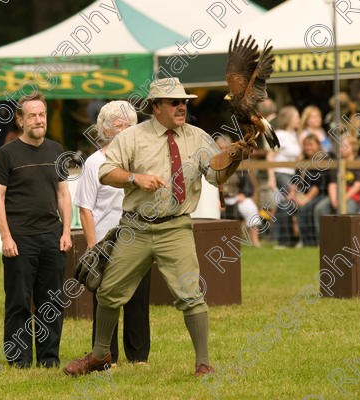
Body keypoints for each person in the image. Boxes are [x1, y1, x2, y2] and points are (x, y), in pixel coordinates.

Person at [63, 78, 253, 378]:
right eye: (174, 102)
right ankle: (100, 356)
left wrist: (235, 156)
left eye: (185, 102)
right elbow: (105, 172)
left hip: (176, 227)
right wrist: (134, 179)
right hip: (135, 228)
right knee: (109, 291)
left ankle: (202, 363)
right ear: (155, 107)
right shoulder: (132, 137)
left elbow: (216, 177)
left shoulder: (198, 137)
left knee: (191, 294)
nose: (182, 106)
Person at [0, 92, 72, 369]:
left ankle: (49, 359)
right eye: (33, 115)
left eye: (42, 115)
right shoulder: (7, 153)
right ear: (20, 120)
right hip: (20, 240)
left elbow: (63, 194)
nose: (38, 120)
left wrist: (66, 232)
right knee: (19, 303)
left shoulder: (56, 150)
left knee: (52, 303)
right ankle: (19, 360)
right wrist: (6, 237)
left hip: (52, 237)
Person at [74, 101, 151, 366]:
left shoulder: (141, 161)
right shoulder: (95, 163)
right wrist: (93, 247)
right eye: (119, 125)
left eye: (129, 124)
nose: (125, 129)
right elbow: (85, 209)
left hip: (139, 239)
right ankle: (108, 357)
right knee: (105, 301)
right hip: (107, 245)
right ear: (105, 128)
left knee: (138, 301)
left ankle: (139, 357)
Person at [314, 135, 360, 235]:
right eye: (340, 146)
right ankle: (322, 241)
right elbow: (332, 184)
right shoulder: (335, 165)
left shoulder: (358, 164)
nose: (341, 149)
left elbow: (357, 185)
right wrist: (334, 200)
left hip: (353, 198)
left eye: (344, 146)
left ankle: (346, 240)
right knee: (320, 208)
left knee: (347, 211)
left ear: (353, 147)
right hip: (337, 197)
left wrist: (343, 199)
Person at [216, 137, 261, 248]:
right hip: (217, 200)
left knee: (250, 208)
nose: (223, 150)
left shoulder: (238, 164)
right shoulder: (212, 164)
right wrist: (217, 199)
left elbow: (248, 186)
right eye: (220, 148)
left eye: (226, 148)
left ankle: (255, 241)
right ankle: (216, 242)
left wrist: (243, 195)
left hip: (236, 197)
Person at [267, 106, 302, 248]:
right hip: (281, 173)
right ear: (288, 119)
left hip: (293, 175)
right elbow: (270, 156)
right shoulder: (279, 134)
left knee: (289, 205)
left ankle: (288, 240)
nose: (299, 120)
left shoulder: (295, 135)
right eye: (296, 117)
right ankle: (283, 240)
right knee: (287, 204)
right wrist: (271, 178)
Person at [289, 135, 326, 247]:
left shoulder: (323, 161)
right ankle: (286, 242)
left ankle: (308, 242)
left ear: (318, 146)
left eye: (311, 144)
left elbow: (317, 186)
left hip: (319, 194)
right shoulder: (302, 162)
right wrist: (291, 195)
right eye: (306, 145)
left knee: (305, 209)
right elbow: (294, 181)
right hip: (303, 194)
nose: (308, 147)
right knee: (284, 205)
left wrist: (306, 199)